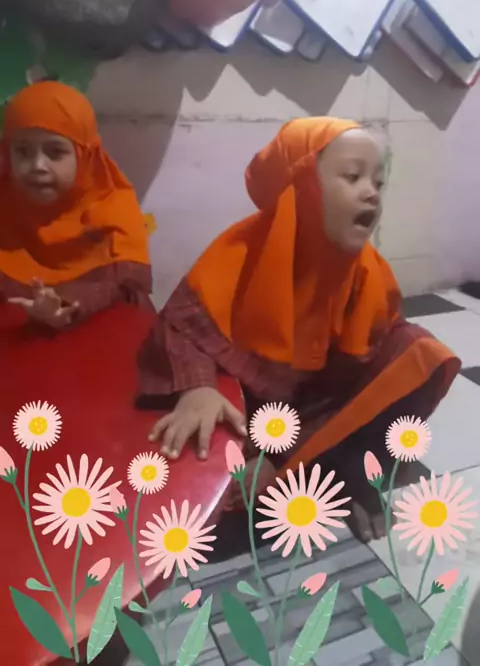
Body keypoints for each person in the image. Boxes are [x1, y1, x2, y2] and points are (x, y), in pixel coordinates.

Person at [137, 117, 460, 543]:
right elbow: (180, 325)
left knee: (419, 353)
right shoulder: (239, 254)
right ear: (302, 185)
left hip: (319, 405)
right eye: (352, 177)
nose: (371, 192)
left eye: (378, 183)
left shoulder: (367, 271)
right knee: (189, 460)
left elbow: (380, 348)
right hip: (248, 404)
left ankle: (339, 464)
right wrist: (197, 388)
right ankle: (284, 465)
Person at [0, 80, 153, 330]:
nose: (38, 165)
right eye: (23, 152)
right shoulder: (5, 204)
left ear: (86, 156)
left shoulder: (113, 211)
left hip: (104, 334)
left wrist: (63, 305)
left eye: (55, 152)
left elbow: (120, 285)